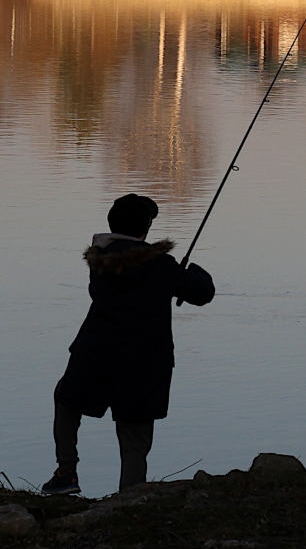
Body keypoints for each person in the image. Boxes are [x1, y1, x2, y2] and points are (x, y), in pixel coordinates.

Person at [42, 194, 215, 495]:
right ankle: (130, 495)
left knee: (66, 400)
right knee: (135, 434)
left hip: (95, 353)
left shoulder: (99, 261)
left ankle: (66, 472)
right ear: (146, 227)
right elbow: (203, 292)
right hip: (145, 361)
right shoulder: (161, 265)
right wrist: (191, 271)